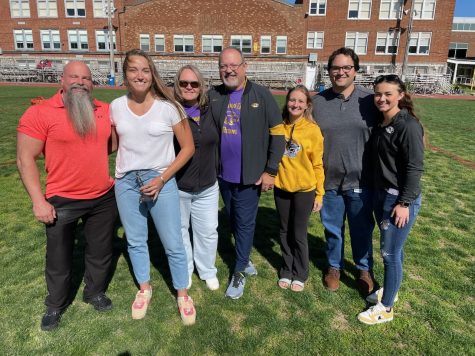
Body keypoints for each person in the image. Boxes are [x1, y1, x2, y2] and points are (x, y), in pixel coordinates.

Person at [16, 61, 118, 331]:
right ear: (61, 80)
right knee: (59, 257)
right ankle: (55, 304)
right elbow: (25, 158)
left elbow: (113, 143)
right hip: (62, 198)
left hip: (103, 196)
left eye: (86, 78)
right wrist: (39, 201)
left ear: (92, 84)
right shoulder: (40, 112)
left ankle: (94, 292)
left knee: (100, 250)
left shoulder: (103, 110)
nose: (80, 82)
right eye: (74, 76)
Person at [110, 49, 196, 325]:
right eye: (134, 70)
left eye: (145, 70)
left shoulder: (169, 107)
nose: (140, 75)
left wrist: (161, 179)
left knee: (173, 243)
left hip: (161, 180)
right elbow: (114, 145)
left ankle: (183, 293)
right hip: (126, 182)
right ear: (125, 74)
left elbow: (188, 148)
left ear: (152, 74)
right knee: (135, 240)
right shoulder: (115, 106)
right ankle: (144, 288)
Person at [209, 47, 285, 299]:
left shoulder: (261, 95)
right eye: (223, 66)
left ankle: (239, 269)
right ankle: (245, 257)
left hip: (250, 175)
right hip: (222, 175)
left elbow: (278, 134)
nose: (228, 70)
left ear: (244, 67)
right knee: (232, 218)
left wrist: (271, 171)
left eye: (234, 65)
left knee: (244, 222)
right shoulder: (213, 95)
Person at [358, 74, 423, 324]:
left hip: (398, 200)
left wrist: (404, 203)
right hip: (381, 195)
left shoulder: (408, 125)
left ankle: (385, 309)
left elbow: (415, 168)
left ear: (401, 95)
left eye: (388, 94)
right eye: (378, 93)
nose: (381, 98)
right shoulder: (382, 122)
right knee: (394, 250)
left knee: (389, 253)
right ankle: (390, 293)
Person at [312, 47, 378, 293]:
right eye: (335, 68)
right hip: (328, 181)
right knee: (332, 229)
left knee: (361, 229)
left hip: (361, 180)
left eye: (346, 67)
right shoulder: (317, 103)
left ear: (355, 70)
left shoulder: (369, 100)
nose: (340, 72)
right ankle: (333, 267)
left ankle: (363, 269)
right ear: (329, 71)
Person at [272, 85, 325, 292]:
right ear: (287, 102)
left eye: (300, 101)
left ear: (306, 106)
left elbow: (318, 164)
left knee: (299, 232)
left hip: (304, 189)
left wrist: (319, 193)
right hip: (282, 187)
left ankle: (300, 272)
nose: (295, 104)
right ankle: (287, 268)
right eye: (292, 100)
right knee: (284, 230)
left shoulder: (313, 131)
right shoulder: (278, 127)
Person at [173, 65, 220, 291]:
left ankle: (207, 269)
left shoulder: (211, 110)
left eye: (194, 83)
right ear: (177, 86)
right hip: (179, 185)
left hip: (208, 185)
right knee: (181, 231)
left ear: (202, 86)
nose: (189, 87)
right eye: (184, 83)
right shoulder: (171, 111)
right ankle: (186, 269)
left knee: (208, 231)